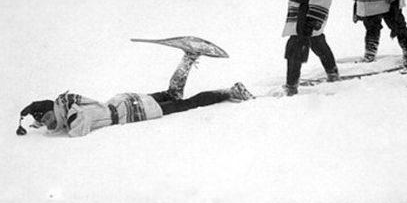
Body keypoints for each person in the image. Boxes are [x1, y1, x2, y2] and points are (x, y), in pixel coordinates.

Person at [17, 49, 254, 137]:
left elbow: (77, 132)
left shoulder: (72, 114)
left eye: (47, 117)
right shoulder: (66, 104)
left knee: (187, 104)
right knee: (172, 94)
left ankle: (229, 91)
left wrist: (55, 125)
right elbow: (59, 117)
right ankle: (188, 57)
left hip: (132, 110)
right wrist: (38, 119)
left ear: (52, 109)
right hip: (123, 102)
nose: (49, 123)